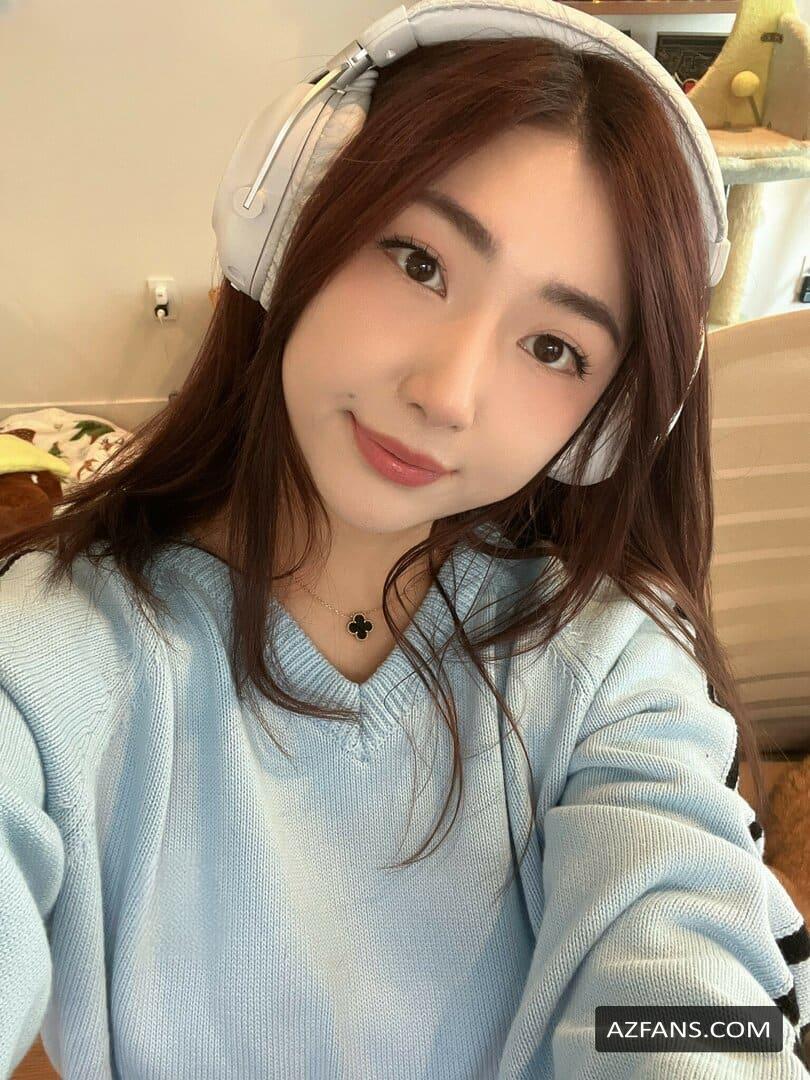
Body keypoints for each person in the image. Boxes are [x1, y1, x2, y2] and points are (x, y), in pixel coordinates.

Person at [1, 1, 808, 1077]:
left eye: (554, 347)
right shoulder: (49, 661)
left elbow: (699, 993)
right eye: (419, 261)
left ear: (602, 426)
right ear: (289, 225)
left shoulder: (611, 663)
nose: (447, 394)